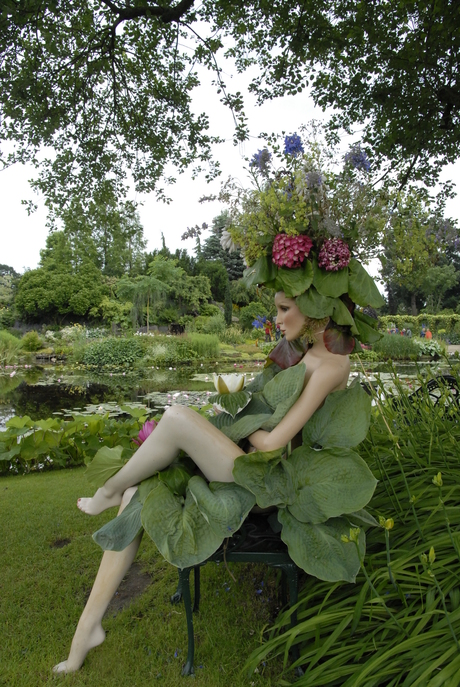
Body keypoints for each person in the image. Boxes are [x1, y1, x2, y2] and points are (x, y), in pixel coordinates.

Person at [53, 291, 351, 674]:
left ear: (313, 305)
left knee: (177, 418)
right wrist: (240, 421)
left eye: (283, 309)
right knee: (134, 496)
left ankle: (106, 490)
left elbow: (275, 442)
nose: (276, 319)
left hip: (269, 483)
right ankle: (86, 631)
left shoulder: (332, 364)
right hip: (248, 464)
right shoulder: (307, 350)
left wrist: (245, 425)